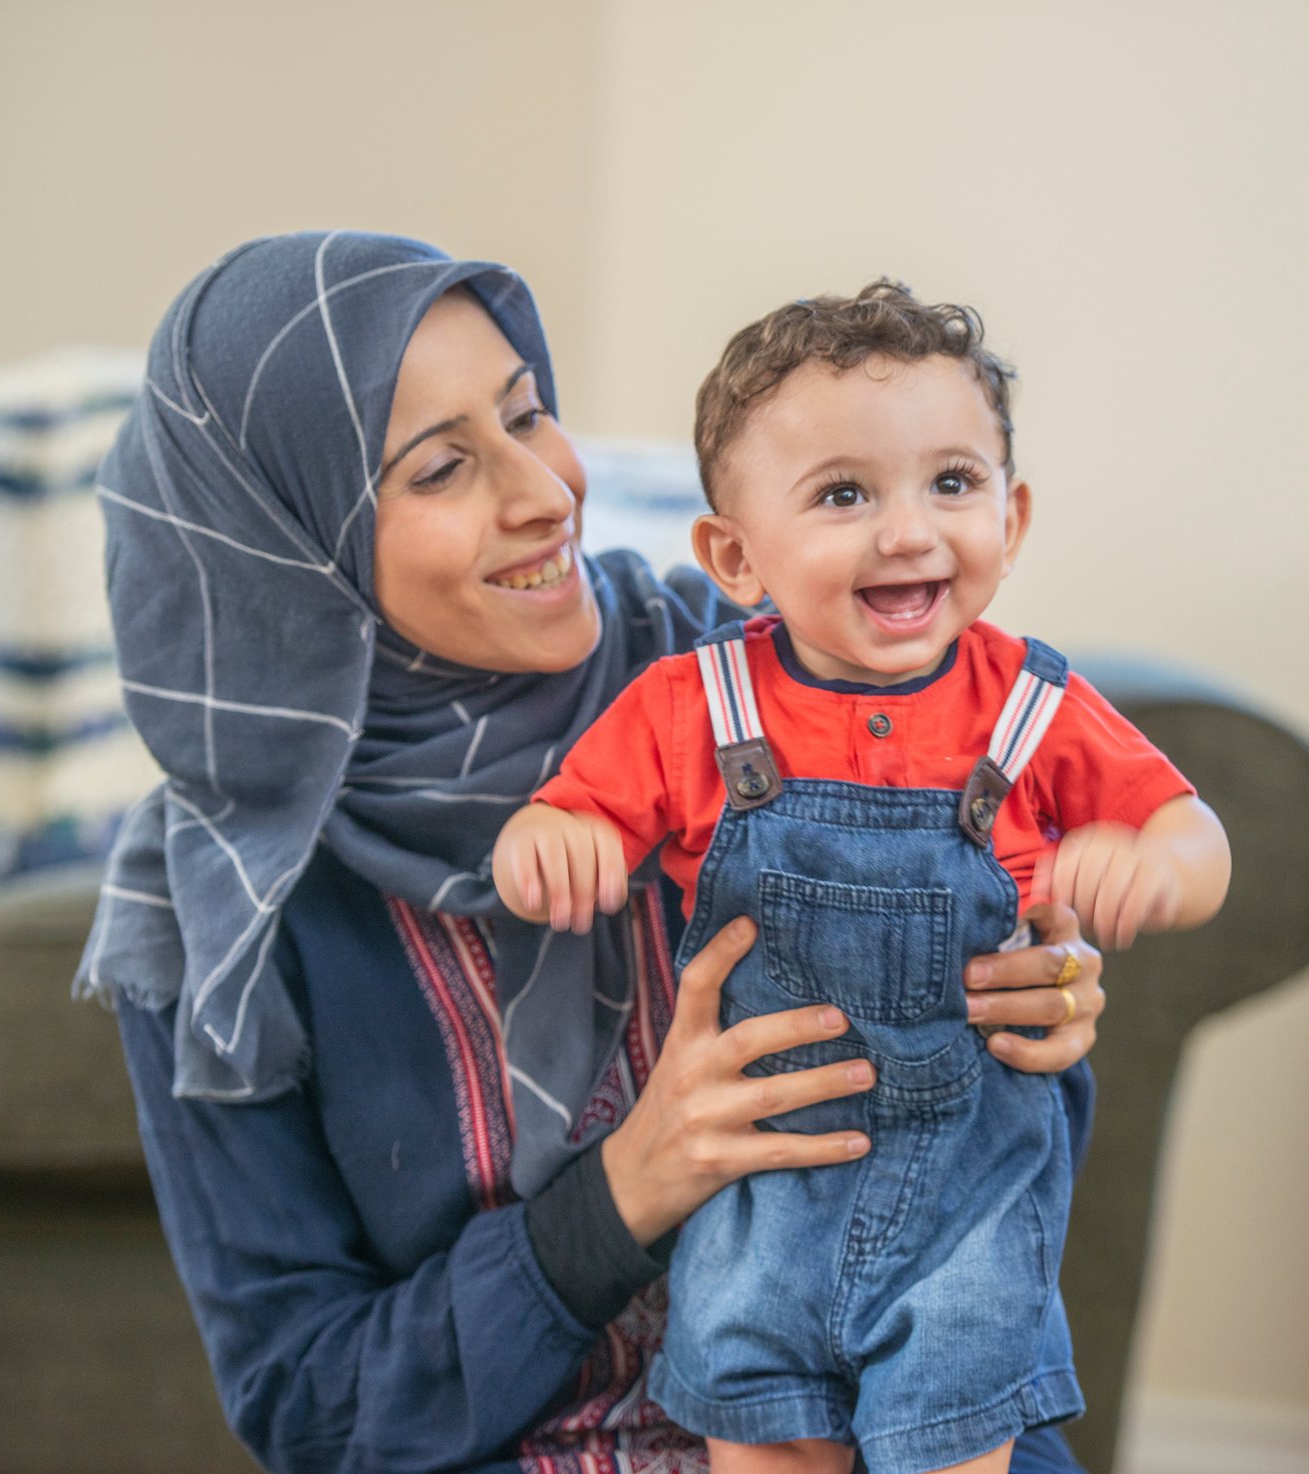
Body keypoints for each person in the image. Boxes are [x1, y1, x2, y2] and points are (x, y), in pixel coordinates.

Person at [77, 232, 1111, 1474]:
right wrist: (625, 1189)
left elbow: (980, 1175)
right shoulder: (225, 901)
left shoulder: (750, 679)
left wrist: (1032, 1007)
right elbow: (316, 1407)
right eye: (445, 467)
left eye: (530, 413)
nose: (545, 489)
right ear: (293, 551)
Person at [491, 283, 1232, 1474]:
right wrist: (551, 841)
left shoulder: (1031, 706)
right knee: (769, 1439)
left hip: (969, 1206)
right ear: (735, 556)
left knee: (953, 1443)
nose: (908, 530)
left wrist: (1153, 864)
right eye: (845, 494)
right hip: (764, 1195)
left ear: (1014, 514)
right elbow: (564, 819)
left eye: (953, 482)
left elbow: (1198, 835)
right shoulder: (695, 705)